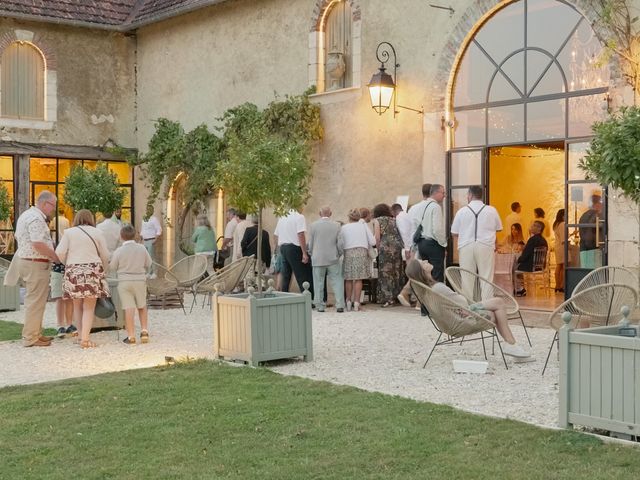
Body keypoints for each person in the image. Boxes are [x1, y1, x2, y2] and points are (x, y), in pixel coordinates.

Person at [405, 258, 530, 358]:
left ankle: (511, 345)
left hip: (454, 320)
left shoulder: (428, 292)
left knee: (497, 305)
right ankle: (512, 345)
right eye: (423, 262)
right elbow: (463, 302)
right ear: (421, 271)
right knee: (498, 303)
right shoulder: (438, 288)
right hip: (463, 319)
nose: (426, 261)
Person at [8, 190, 60, 347]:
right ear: (44, 203)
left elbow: (20, 237)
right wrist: (55, 257)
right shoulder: (36, 218)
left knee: (36, 300)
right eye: (53, 205)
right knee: (35, 301)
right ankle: (31, 337)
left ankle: (35, 333)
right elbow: (38, 244)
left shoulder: (27, 215)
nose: (53, 209)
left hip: (29, 262)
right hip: (35, 264)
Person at [56, 209, 110, 349]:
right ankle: (85, 340)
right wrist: (103, 269)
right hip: (92, 269)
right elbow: (105, 254)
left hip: (73, 270)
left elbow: (59, 252)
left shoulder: (69, 233)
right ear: (90, 218)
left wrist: (68, 263)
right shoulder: (97, 232)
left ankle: (80, 336)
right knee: (89, 307)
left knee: (77, 306)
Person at [450, 185, 502, 300]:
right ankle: (487, 307)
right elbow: (498, 228)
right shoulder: (491, 210)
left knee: (467, 278)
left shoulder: (462, 211)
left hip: (466, 246)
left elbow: (454, 232)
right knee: (487, 278)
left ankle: (467, 307)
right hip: (486, 245)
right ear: (481, 195)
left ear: (470, 195)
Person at [109, 224, 153, 345]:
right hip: (140, 280)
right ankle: (144, 331)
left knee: (129, 308)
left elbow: (112, 267)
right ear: (134, 235)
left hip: (124, 281)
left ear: (121, 237)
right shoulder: (142, 248)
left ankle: (131, 336)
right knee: (142, 306)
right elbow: (149, 263)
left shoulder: (119, 251)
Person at [308, 206, 344, 312]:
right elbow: (340, 243)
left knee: (318, 282)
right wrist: (339, 254)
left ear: (320, 213)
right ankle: (340, 305)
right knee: (337, 281)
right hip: (333, 257)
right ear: (331, 213)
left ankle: (320, 306)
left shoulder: (313, 226)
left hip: (318, 257)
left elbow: (311, 243)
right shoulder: (337, 225)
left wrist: (311, 253)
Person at [341, 209, 375, 312]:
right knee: (359, 278)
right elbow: (372, 241)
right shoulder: (363, 226)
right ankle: (356, 303)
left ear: (349, 217)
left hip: (348, 252)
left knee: (349, 278)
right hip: (361, 252)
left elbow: (341, 241)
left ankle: (347, 302)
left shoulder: (344, 227)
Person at [411, 184, 447, 282]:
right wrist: (444, 244)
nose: (445, 195)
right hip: (433, 244)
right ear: (435, 193)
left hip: (422, 243)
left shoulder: (420, 205)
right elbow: (437, 229)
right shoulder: (436, 207)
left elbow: (415, 224)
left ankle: (426, 296)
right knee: (437, 274)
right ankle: (436, 297)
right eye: (443, 193)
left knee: (426, 273)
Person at [274, 209, 314, 297]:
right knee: (302, 274)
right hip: (294, 248)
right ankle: (308, 298)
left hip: (283, 247)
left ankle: (283, 296)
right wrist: (304, 253)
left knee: (286, 275)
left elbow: (276, 235)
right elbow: (300, 234)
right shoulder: (299, 217)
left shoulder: (282, 216)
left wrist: (280, 247)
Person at [372, 203, 405, 307]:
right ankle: (397, 295)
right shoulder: (394, 219)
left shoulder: (378, 220)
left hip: (385, 247)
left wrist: (378, 248)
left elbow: (377, 237)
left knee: (385, 272)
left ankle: (388, 298)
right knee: (397, 271)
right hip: (396, 247)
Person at [513, 220, 548, 296]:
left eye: (534, 225)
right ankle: (520, 288)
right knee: (518, 265)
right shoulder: (543, 240)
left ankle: (519, 289)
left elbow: (525, 255)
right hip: (540, 266)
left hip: (530, 266)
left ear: (539, 228)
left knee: (514, 267)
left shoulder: (532, 240)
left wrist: (518, 259)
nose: (531, 227)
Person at [578, 194, 604, 269]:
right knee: (596, 276)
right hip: (594, 249)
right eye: (601, 203)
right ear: (597, 204)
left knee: (586, 276)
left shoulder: (584, 215)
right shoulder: (597, 216)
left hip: (584, 249)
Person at [51, 261, 75, 337]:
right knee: (59, 298)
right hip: (58, 270)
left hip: (71, 270)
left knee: (69, 298)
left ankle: (69, 324)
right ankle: (60, 326)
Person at [552, 209, 565, 293]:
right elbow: (563, 238)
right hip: (562, 246)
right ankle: (561, 285)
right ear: (563, 216)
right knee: (563, 267)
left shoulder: (556, 224)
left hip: (557, 246)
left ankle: (557, 285)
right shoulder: (563, 224)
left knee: (559, 266)